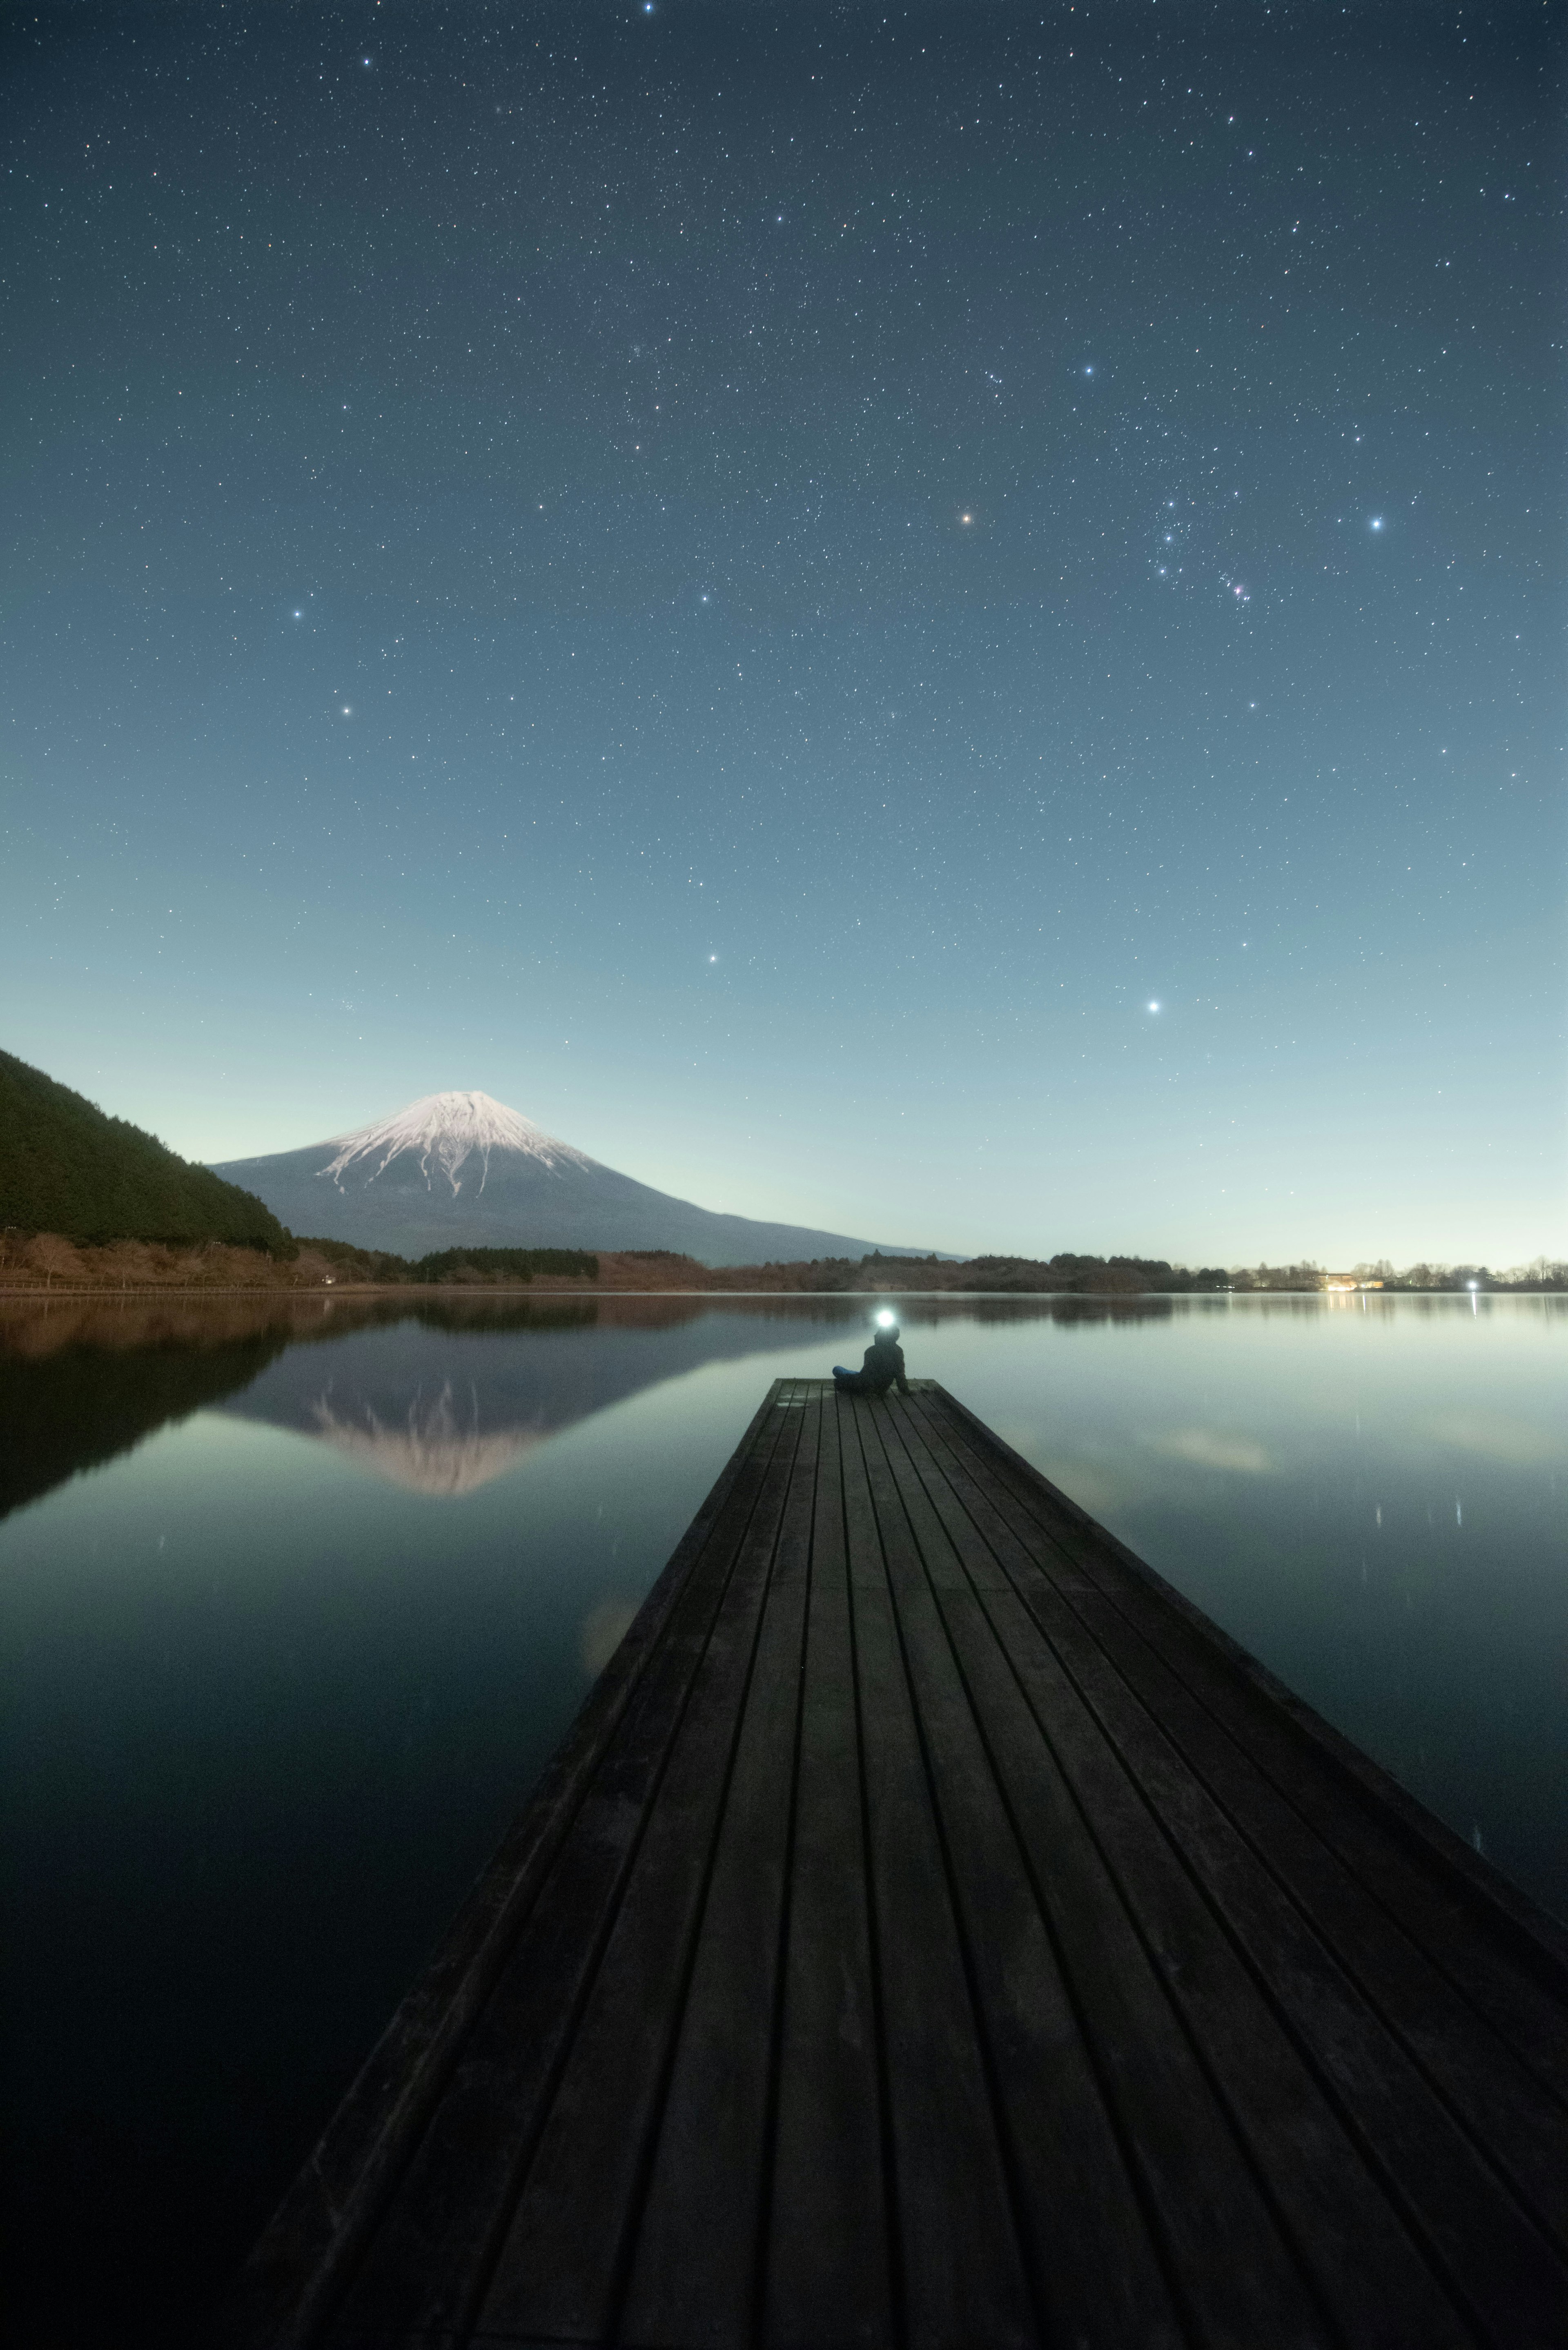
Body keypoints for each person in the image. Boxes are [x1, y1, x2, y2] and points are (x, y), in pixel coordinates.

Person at [832, 1317, 911, 1398]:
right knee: (851, 1374)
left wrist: (869, 1390)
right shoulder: (898, 1351)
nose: (875, 1335)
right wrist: (906, 1391)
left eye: (878, 1334)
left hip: (866, 1386)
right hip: (883, 1388)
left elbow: (867, 1374)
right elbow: (900, 1374)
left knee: (837, 1370)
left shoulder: (871, 1351)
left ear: (882, 1336)